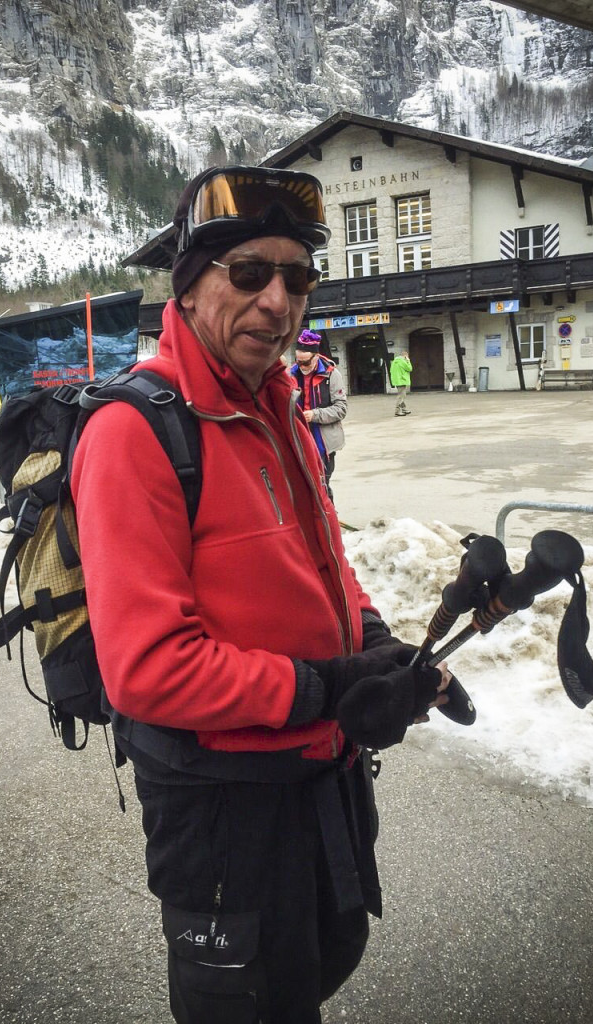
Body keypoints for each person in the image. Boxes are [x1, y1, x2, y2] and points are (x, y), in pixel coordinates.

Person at [71, 165, 450, 1024]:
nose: (278, 302)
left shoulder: (279, 406)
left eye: (297, 278)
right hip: (224, 817)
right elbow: (148, 671)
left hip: (317, 781)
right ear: (192, 285)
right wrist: (327, 688)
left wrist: (379, 643)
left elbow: (323, 561)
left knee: (315, 968)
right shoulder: (135, 434)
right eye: (249, 273)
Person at [288, 329, 347, 500]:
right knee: (301, 486)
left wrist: (315, 415)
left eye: (305, 362)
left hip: (323, 440)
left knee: (323, 484)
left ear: (316, 357)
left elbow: (341, 408)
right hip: (298, 437)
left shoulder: (332, 374)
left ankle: (329, 520)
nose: (301, 366)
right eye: (298, 362)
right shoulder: (290, 374)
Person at [389, 350, 413, 416]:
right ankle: (397, 411)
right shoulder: (403, 361)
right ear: (405, 356)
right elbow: (410, 368)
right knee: (401, 396)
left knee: (402, 395)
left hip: (397, 380)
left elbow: (391, 370)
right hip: (402, 380)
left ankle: (404, 409)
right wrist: (408, 361)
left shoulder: (394, 362)